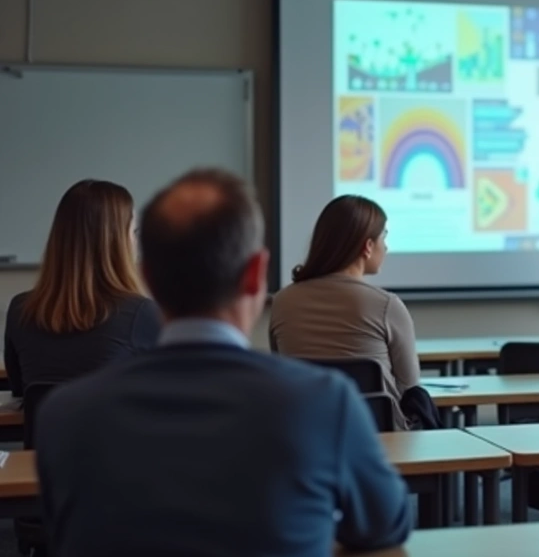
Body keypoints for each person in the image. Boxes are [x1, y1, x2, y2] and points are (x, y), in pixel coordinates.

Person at [35, 169, 411, 557]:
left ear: (149, 276)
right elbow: (386, 525)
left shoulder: (64, 414)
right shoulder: (323, 401)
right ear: (256, 275)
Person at [270, 195, 420, 430]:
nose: (387, 247)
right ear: (368, 246)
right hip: (380, 441)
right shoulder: (387, 305)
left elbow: (283, 374)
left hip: (306, 436)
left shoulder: (281, 301)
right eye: (384, 237)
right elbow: (409, 389)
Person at [4, 180, 160, 398]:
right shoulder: (143, 313)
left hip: (45, 433)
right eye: (133, 232)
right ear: (117, 242)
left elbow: (19, 390)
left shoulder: (20, 310)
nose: (135, 241)